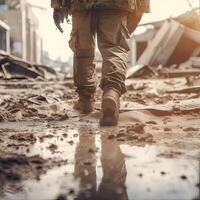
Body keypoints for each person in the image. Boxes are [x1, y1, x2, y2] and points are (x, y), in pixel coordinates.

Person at [51, 0, 149, 126]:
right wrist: (141, 6)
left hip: (81, 4)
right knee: (114, 48)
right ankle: (111, 93)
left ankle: (85, 100)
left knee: (83, 50)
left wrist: (57, 7)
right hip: (116, 3)